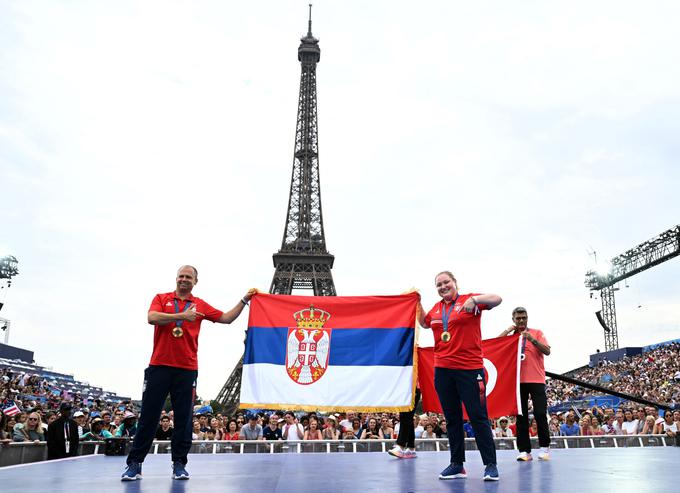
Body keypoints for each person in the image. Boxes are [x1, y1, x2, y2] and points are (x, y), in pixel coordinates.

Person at [121, 265, 255, 481]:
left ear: (195, 281)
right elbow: (152, 317)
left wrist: (245, 299)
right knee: (148, 416)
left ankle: (179, 464)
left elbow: (227, 318)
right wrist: (182, 315)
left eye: (188, 277)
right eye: (181, 276)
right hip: (159, 366)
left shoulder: (200, 304)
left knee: (184, 419)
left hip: (187, 368)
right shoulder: (161, 297)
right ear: (176, 278)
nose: (184, 280)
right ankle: (135, 463)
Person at [419, 271, 502, 481]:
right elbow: (424, 323)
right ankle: (457, 465)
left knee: (478, 417)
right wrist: (416, 302)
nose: (443, 286)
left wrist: (475, 300)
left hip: (469, 370)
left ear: (455, 283)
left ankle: (490, 465)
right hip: (443, 371)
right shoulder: (437, 308)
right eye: (439, 284)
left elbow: (497, 299)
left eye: (446, 282)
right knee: (452, 419)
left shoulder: (469, 300)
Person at [498, 306, 551, 461]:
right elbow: (495, 344)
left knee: (540, 414)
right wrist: (508, 330)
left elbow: (547, 351)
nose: (521, 320)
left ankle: (545, 448)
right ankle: (524, 451)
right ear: (513, 320)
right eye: (518, 318)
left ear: (527, 318)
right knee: (521, 417)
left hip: (537, 379)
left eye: (524, 317)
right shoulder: (511, 336)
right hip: (517, 381)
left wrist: (532, 339)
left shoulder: (537, 333)